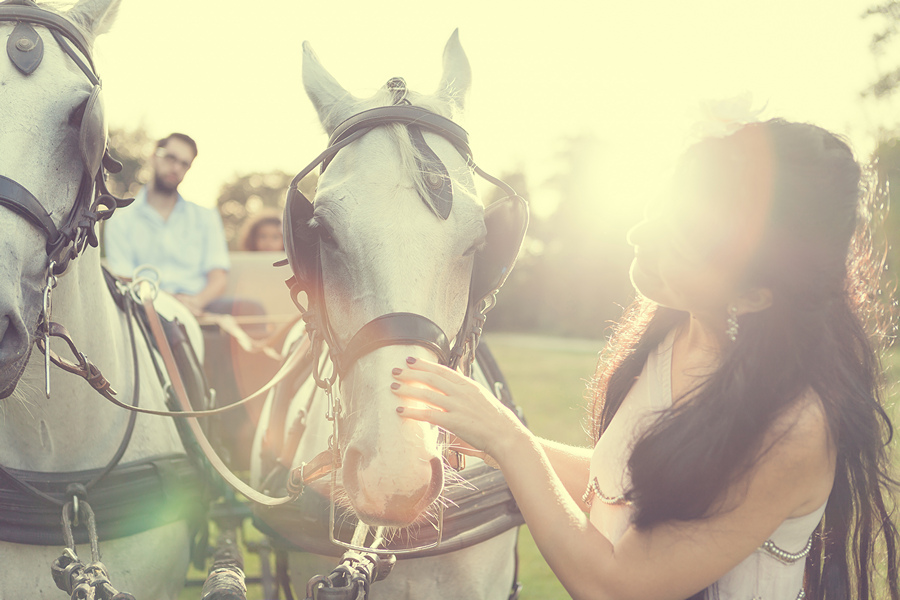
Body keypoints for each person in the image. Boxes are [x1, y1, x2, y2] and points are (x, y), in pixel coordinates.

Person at [390, 119, 900, 599]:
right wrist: (481, 441)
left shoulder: (794, 429)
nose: (639, 237)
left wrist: (509, 438)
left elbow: (616, 584)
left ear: (753, 296)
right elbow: (622, 484)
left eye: (678, 243)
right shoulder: (678, 329)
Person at [103, 132, 230, 317]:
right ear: (153, 156)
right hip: (146, 307)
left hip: (199, 305)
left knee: (252, 308)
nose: (176, 167)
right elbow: (124, 278)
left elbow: (218, 278)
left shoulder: (206, 216)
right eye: (171, 158)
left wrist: (196, 302)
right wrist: (171, 304)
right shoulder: (121, 220)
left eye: (184, 164)